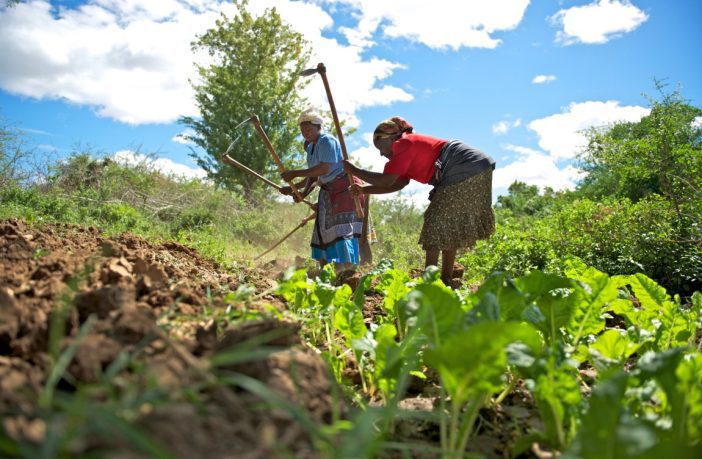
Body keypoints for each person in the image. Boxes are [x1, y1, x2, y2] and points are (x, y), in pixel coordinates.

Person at [343, 116, 496, 286]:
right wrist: (364, 189)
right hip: (476, 166)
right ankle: (445, 279)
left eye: (380, 147)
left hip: (463, 166)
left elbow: (386, 180)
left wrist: (354, 170)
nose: (381, 153)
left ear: (391, 139)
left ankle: (429, 281)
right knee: (449, 224)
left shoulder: (403, 144)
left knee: (435, 221)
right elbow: (397, 184)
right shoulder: (404, 151)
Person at [280, 108, 369, 272]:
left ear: (318, 127)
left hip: (345, 188)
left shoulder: (327, 141)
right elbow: (313, 177)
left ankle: (348, 271)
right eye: (302, 131)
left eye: (308, 130)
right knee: (323, 229)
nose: (305, 134)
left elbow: (324, 169)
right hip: (329, 190)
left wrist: (295, 173)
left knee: (343, 229)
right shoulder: (311, 147)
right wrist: (298, 192)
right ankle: (326, 270)